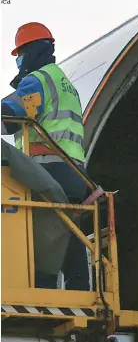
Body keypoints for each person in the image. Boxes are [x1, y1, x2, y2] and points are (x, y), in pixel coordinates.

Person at [1, 22, 89, 291]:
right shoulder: (64, 83)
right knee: (70, 235)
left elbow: (11, 115)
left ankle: (40, 291)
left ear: (33, 50)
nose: (20, 63)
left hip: (48, 171)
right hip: (74, 173)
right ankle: (79, 292)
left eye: (21, 55)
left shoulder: (38, 80)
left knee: (42, 237)